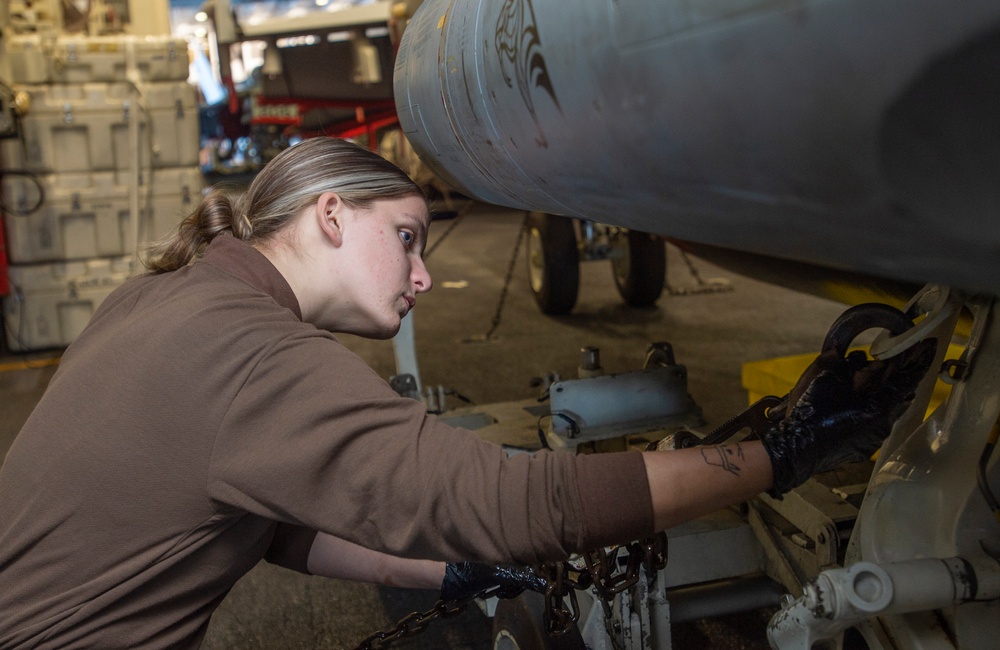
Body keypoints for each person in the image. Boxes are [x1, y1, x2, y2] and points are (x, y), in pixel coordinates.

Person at [0, 137, 935, 648]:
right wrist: (785, 449)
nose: (425, 276)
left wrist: (443, 574)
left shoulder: (170, 297)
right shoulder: (251, 356)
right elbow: (507, 502)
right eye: (407, 236)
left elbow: (265, 522)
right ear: (331, 215)